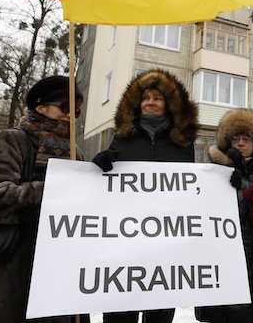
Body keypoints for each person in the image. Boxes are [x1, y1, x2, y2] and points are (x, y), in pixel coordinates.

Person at [0, 75, 88, 323]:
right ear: (40, 107)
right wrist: (51, 192)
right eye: (65, 106)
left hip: (60, 267)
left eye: (76, 110)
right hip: (14, 266)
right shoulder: (11, 140)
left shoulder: (75, 151)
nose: (71, 115)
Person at [92, 69, 199, 323]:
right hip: (124, 242)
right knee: (119, 315)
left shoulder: (183, 144)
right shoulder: (122, 137)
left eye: (158, 98)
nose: (150, 102)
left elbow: (190, 190)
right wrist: (97, 166)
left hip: (165, 245)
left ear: (169, 105)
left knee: (159, 314)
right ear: (137, 104)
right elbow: (105, 188)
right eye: (145, 98)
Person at [194, 108, 253, 323]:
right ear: (226, 142)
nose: (240, 143)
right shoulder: (212, 174)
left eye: (247, 138)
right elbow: (202, 216)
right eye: (235, 138)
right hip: (224, 269)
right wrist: (243, 199)